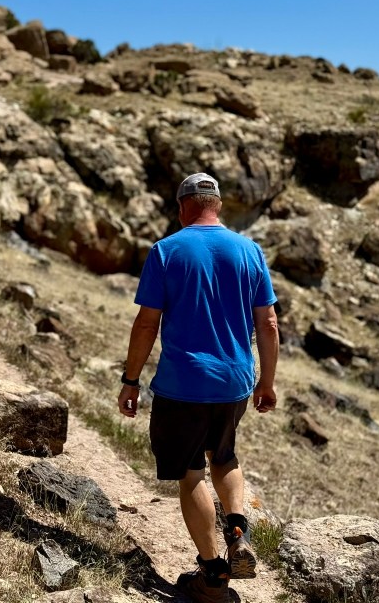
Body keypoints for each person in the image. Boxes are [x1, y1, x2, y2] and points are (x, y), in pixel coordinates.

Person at [117, 172, 279, 603]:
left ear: (183, 206)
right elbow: (268, 322)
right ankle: (238, 531)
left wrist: (130, 380)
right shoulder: (250, 251)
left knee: (191, 474)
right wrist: (267, 382)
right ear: (218, 205)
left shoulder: (166, 251)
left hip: (183, 383)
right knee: (224, 457)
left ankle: (212, 578)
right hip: (234, 382)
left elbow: (147, 322)